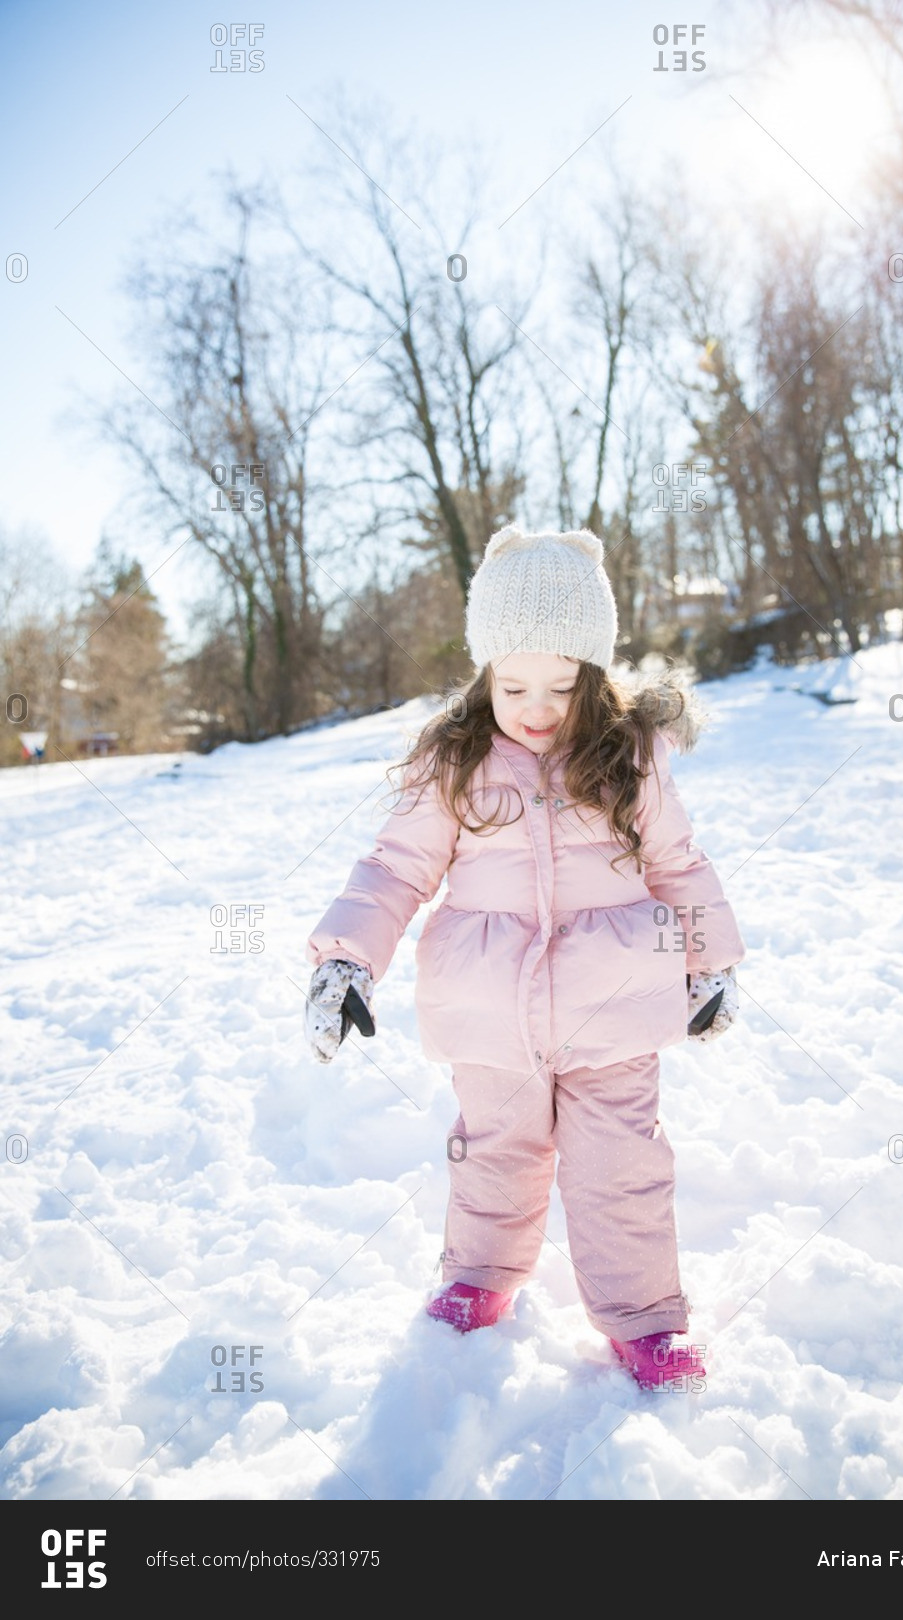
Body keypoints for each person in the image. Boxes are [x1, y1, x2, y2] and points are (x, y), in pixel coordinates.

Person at [304, 525, 745, 1391]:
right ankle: (478, 1277)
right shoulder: (455, 761)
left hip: (613, 1004)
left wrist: (712, 962)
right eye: (513, 685)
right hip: (489, 1012)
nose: (537, 706)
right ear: (484, 674)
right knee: (493, 1150)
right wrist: (346, 956)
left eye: (562, 684)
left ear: (595, 674)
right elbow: (396, 867)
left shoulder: (628, 758)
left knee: (622, 1165)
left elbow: (678, 865)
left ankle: (646, 1323)